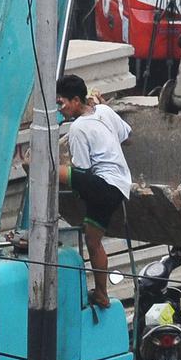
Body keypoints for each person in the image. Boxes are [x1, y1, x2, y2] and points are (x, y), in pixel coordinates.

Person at [55, 74, 132, 308]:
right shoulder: (104, 112)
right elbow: (127, 136)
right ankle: (102, 294)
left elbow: (83, 170)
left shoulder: (78, 128)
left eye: (62, 103)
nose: (61, 108)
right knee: (93, 239)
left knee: (44, 166)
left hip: (103, 184)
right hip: (120, 186)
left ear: (76, 100)